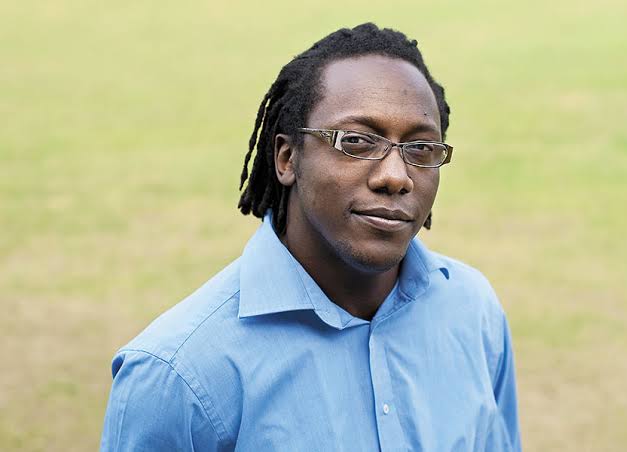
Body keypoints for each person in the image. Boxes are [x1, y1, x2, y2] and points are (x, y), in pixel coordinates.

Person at [100, 23, 521, 451]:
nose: (396, 176)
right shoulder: (179, 375)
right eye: (356, 141)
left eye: (420, 149)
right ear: (287, 158)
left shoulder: (473, 311)